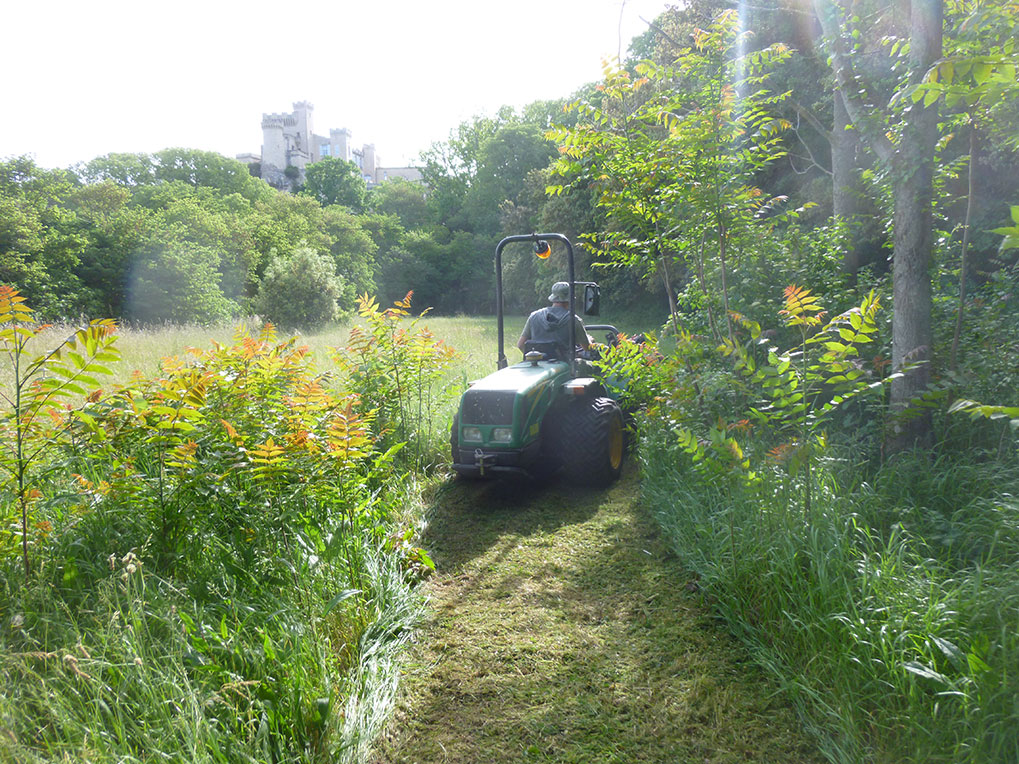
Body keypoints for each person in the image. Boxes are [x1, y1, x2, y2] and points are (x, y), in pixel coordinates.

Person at [516, 281, 591, 359]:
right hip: (566, 367)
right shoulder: (574, 320)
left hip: (538, 365)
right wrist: (589, 340)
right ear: (570, 298)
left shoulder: (534, 316)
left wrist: (536, 358)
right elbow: (587, 348)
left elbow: (520, 345)